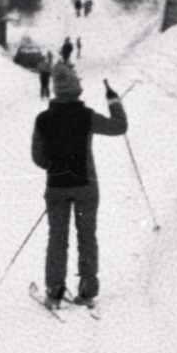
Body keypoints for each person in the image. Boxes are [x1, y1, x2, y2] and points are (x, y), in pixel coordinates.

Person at [31, 63, 127, 308]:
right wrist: (114, 101)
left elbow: (38, 157)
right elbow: (119, 127)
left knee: (57, 238)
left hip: (56, 187)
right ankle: (87, 289)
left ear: (54, 90)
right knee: (86, 236)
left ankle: (54, 290)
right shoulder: (87, 117)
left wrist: (55, 166)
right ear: (77, 90)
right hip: (86, 187)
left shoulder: (43, 119)